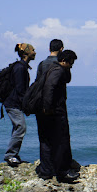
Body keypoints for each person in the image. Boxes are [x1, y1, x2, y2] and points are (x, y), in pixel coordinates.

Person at [35, 49, 79, 183]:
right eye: (71, 63)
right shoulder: (58, 70)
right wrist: (48, 108)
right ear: (64, 61)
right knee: (61, 141)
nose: (71, 66)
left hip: (43, 111)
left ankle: (46, 171)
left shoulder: (49, 67)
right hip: (54, 111)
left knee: (46, 140)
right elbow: (50, 87)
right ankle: (62, 172)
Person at [4, 43, 36, 167]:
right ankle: (10, 155)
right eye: (33, 50)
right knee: (20, 127)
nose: (35, 52)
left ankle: (14, 154)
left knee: (17, 127)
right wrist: (26, 105)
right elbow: (20, 89)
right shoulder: (20, 68)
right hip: (13, 103)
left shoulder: (22, 67)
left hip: (13, 102)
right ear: (26, 53)